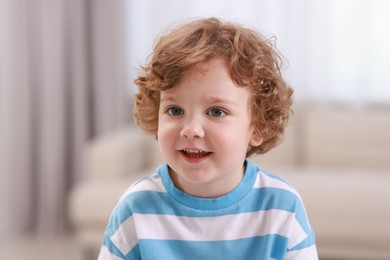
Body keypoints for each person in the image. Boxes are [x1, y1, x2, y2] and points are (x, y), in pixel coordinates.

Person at [98, 17, 318, 260]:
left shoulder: (282, 207)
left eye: (216, 112)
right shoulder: (136, 208)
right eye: (175, 110)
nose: (191, 130)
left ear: (257, 126)